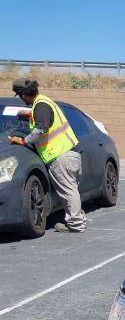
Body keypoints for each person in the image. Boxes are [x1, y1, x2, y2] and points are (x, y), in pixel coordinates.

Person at [9, 78, 86, 233]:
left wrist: (24, 141)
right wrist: (29, 114)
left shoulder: (41, 106)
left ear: (24, 94)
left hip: (61, 155)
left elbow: (41, 129)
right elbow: (44, 119)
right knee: (71, 190)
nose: (21, 99)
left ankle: (76, 224)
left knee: (68, 190)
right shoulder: (43, 102)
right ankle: (77, 219)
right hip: (69, 152)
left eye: (20, 95)